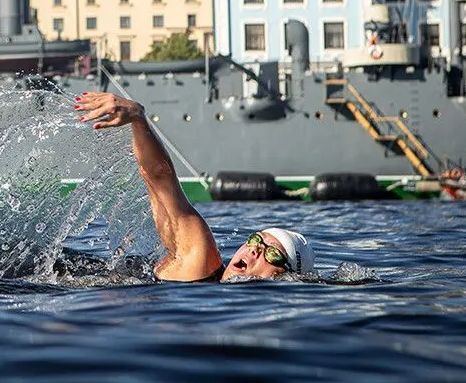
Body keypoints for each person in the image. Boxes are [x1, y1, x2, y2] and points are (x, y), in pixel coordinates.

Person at [74, 91, 315, 282]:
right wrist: (138, 117)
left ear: (286, 275)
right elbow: (160, 179)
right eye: (255, 240)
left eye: (272, 254)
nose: (254, 251)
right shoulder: (201, 258)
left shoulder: (208, 285)